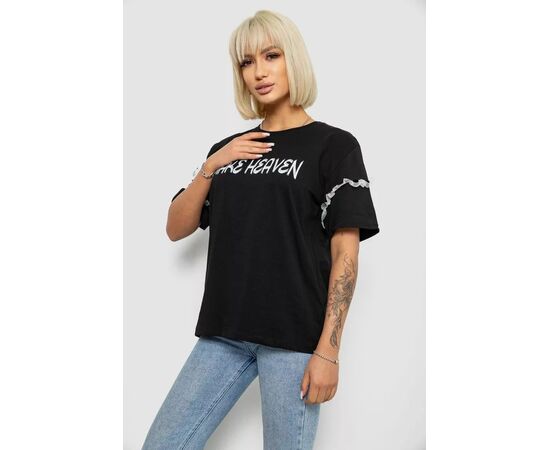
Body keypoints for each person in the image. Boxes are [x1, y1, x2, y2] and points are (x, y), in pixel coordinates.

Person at [141, 9, 379, 450]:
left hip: (294, 339)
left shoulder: (334, 146)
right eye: (246, 62)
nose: (259, 72)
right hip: (225, 332)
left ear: (294, 58)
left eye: (271, 55)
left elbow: (346, 254)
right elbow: (176, 227)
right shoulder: (229, 150)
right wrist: (212, 165)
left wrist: (328, 351)